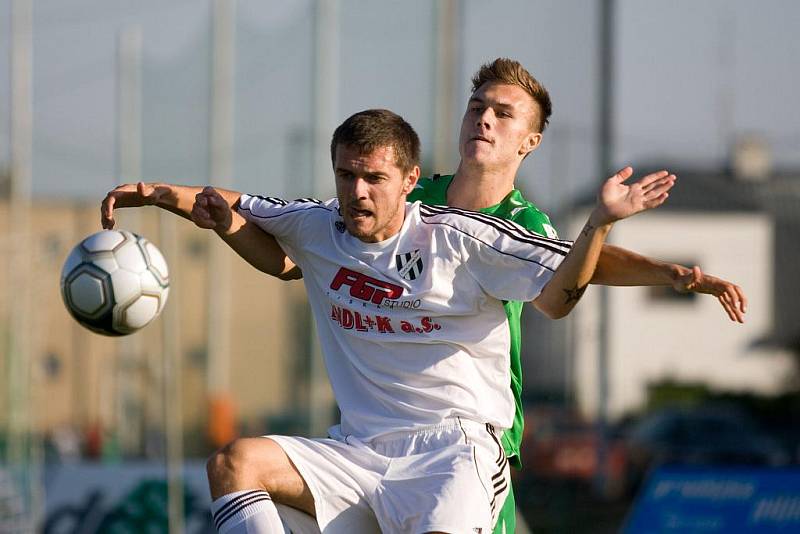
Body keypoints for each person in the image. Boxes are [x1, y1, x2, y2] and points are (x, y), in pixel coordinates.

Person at [102, 108, 676, 533]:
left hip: (453, 454)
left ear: (409, 180)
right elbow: (237, 205)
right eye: (346, 175)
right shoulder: (318, 226)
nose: (357, 191)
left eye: (373, 178)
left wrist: (602, 222)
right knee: (236, 463)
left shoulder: (460, 237)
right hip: (357, 452)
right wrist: (159, 195)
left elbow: (557, 297)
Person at [405, 57, 747, 533]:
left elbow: (562, 287)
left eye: (504, 113)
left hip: (471, 441)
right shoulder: (409, 199)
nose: (484, 118)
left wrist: (662, 267)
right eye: (477, 106)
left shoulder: (525, 225)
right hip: (386, 428)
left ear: (530, 142)